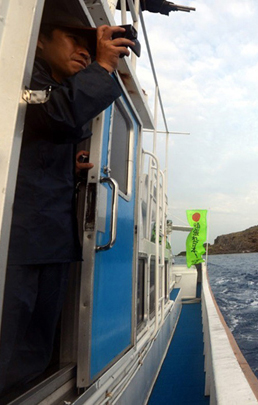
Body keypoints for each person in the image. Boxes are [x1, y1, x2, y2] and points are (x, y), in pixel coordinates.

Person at [0, 8, 135, 395]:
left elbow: (47, 132)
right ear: (40, 38)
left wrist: (72, 167)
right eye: (76, 40)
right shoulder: (22, 75)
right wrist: (106, 66)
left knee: (37, 345)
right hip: (19, 242)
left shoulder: (58, 87)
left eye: (91, 47)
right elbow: (56, 114)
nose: (85, 52)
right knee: (9, 342)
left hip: (48, 239)